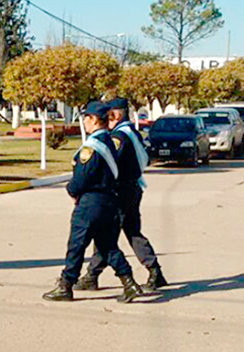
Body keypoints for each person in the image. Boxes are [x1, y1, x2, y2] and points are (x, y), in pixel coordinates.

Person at [43, 101, 143, 303]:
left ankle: (66, 285)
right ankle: (129, 282)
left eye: (86, 118)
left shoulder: (92, 147)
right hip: (109, 202)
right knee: (108, 246)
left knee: (76, 245)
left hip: (91, 203)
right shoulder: (109, 141)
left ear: (94, 120)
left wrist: (71, 190)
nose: (85, 122)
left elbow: (82, 178)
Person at [75, 98, 168, 292]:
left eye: (107, 115)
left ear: (115, 115)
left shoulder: (119, 136)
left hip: (121, 191)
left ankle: (93, 275)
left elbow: (108, 163)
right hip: (133, 188)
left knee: (106, 235)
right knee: (131, 231)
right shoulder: (131, 131)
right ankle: (155, 271)